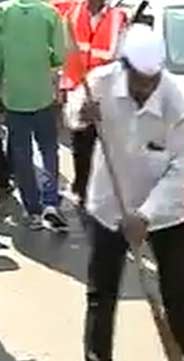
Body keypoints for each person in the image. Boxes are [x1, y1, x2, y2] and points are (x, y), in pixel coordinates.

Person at [64, 24, 184, 361]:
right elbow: (72, 109)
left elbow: (180, 170)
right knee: (100, 292)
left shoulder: (176, 105)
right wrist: (81, 114)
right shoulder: (100, 82)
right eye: (138, 80)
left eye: (151, 81)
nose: (145, 88)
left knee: (180, 287)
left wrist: (147, 215)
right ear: (124, 67)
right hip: (109, 203)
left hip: (164, 211)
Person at [0, 0, 69, 232]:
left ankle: (33, 210)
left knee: (22, 154)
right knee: (48, 149)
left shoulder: (4, 12)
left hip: (14, 96)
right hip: (42, 95)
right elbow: (60, 54)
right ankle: (51, 202)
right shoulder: (50, 13)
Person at [61, 0, 127, 208]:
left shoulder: (118, 18)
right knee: (81, 144)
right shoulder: (72, 13)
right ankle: (81, 189)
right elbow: (65, 51)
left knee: (106, 145)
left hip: (105, 92)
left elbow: (121, 57)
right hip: (78, 89)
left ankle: (104, 192)